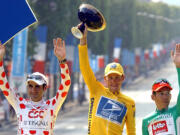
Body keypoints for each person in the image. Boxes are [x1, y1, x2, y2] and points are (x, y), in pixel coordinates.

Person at [0, 38, 71, 134]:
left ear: (45, 88)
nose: (33, 90)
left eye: (37, 86)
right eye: (30, 86)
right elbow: (4, 85)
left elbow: (66, 84)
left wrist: (62, 61)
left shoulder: (52, 105)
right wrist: (0, 60)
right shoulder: (20, 104)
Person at [78, 26, 136, 135]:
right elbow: (85, 67)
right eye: (110, 78)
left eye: (117, 78)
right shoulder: (96, 90)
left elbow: (131, 131)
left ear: (122, 78)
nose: (114, 81)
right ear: (105, 79)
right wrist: (83, 40)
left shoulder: (129, 102)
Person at [142, 43, 180, 135]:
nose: (165, 96)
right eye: (161, 93)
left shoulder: (176, 111)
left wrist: (178, 67)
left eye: (167, 93)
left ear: (171, 96)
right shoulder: (146, 121)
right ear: (153, 97)